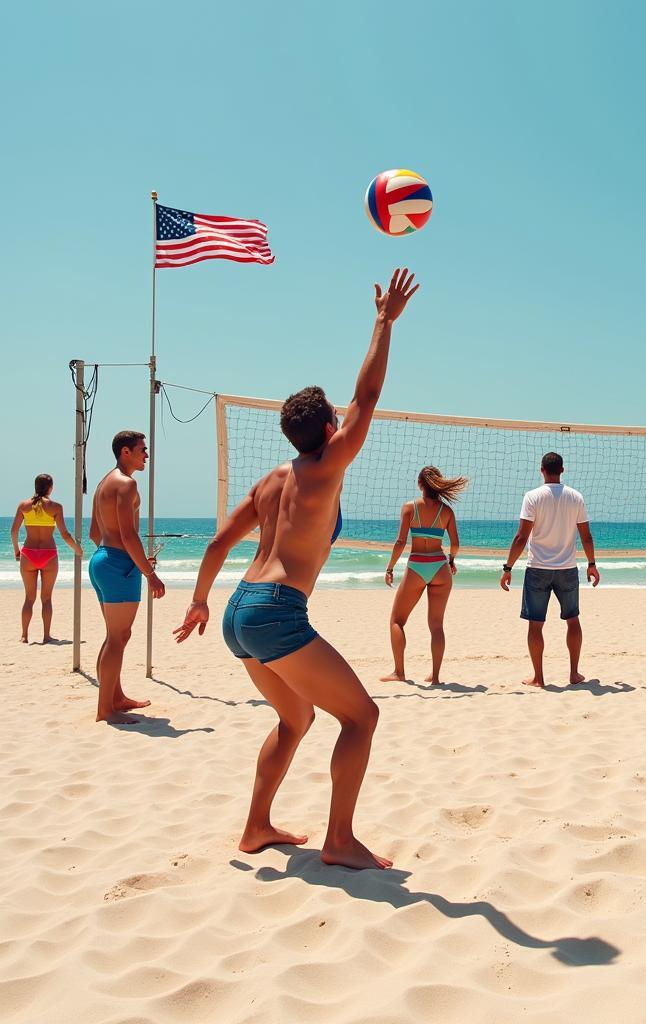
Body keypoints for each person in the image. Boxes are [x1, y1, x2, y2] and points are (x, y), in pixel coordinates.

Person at [172, 268, 418, 870]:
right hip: (277, 611)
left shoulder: (269, 482)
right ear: (331, 430)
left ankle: (257, 827)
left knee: (295, 715)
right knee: (362, 717)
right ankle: (339, 841)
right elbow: (368, 396)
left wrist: (200, 602)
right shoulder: (325, 468)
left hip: (237, 610)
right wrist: (383, 322)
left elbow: (215, 546)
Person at [499, 452, 599, 688]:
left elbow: (521, 536)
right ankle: (574, 674)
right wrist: (592, 565)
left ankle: (538, 678)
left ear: (541, 470)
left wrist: (508, 567)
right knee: (572, 620)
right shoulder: (576, 497)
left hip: (538, 568)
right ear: (562, 470)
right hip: (567, 568)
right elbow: (586, 536)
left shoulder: (532, 497)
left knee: (536, 624)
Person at [89, 432, 166, 723]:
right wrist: (150, 573)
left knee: (116, 636)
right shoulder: (126, 484)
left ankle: (115, 698)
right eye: (142, 450)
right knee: (117, 638)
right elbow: (127, 534)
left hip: (103, 561)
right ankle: (105, 710)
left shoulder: (103, 484)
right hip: (118, 565)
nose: (146, 455)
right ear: (126, 451)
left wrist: (124, 558)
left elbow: (96, 533)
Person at [380, 466, 468, 685]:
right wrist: (451, 560)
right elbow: (455, 544)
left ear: (420, 484)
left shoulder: (410, 508)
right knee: (436, 625)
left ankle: (399, 672)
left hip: (418, 565)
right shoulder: (446, 511)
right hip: (439, 566)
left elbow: (400, 542)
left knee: (397, 621)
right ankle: (436, 676)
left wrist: (390, 567)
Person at [11, 474, 82, 643]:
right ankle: (46, 636)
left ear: (36, 486)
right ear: (50, 487)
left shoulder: (24, 505)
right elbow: (65, 534)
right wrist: (77, 549)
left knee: (29, 598)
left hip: (28, 553)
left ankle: (24, 635)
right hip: (48, 554)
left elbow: (13, 531)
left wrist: (16, 550)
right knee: (46, 598)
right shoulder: (56, 507)